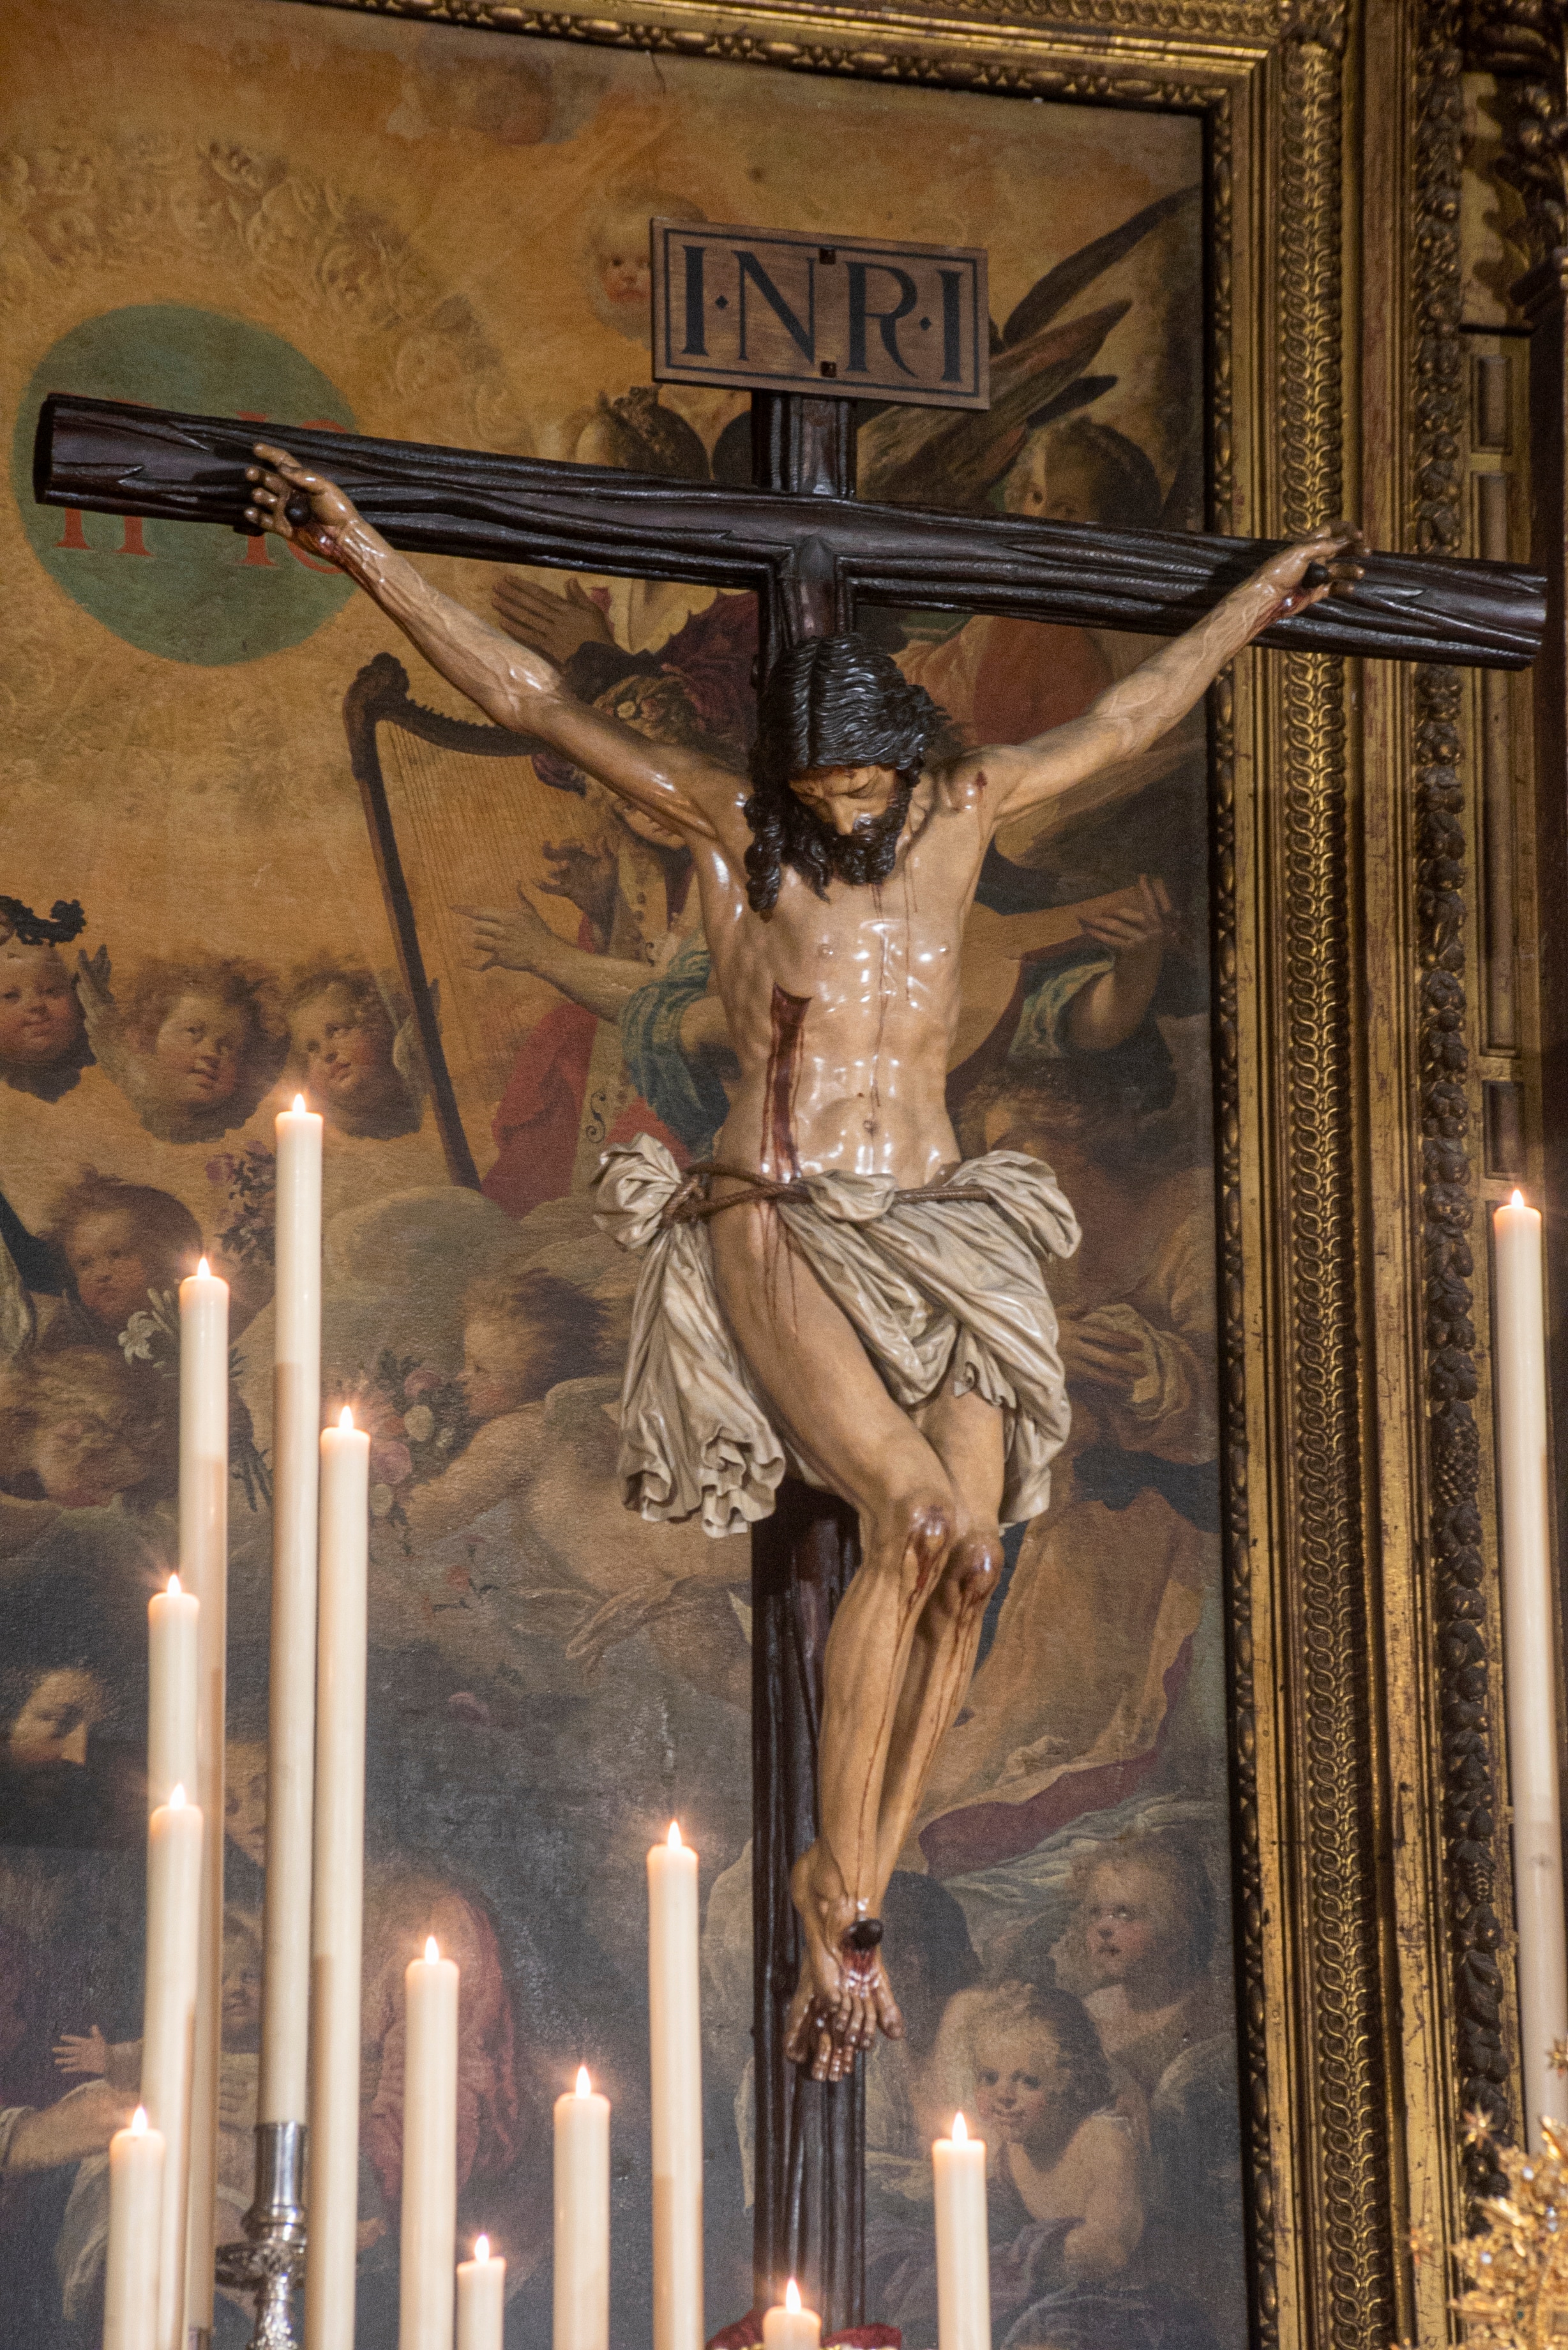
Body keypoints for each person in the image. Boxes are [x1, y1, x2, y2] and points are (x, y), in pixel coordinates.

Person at [242, 434, 1360, 2081]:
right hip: (769, 1206)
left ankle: (864, 1877)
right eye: (817, 795)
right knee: (907, 1517)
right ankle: (843, 1898)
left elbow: (1125, 718)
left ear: (906, 770)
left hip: (945, 1222)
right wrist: (366, 558)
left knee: (971, 1556)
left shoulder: (964, 812)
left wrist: (1257, 600)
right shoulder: (729, 835)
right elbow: (539, 699)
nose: (838, 819)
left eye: (860, 794)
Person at [75, 953, 286, 1143]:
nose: (211, 1053)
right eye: (193, 1032)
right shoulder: (120, 1101)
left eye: (229, 1046)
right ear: (143, 1039)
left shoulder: (235, 1128)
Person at [39, 1171, 203, 1349]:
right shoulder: (69, 1340)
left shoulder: (195, 1325)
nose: (101, 1274)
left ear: (158, 1255)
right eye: (85, 1264)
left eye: (117, 1255)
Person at [283, 961, 424, 1140]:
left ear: (374, 1022)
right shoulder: (332, 1133)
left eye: (337, 1030)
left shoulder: (421, 1097)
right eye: (312, 1049)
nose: (327, 1053)